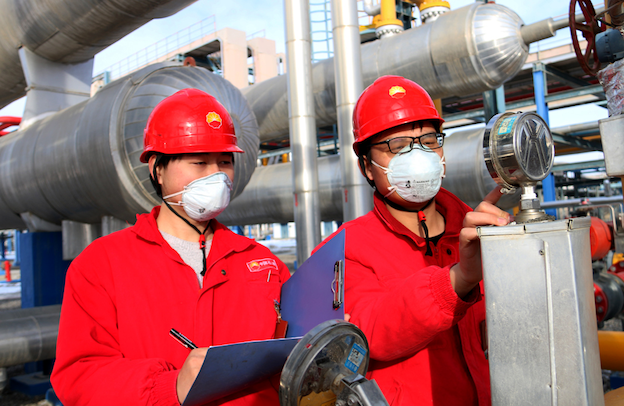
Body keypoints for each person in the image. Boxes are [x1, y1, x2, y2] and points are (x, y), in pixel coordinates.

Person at [51, 88, 291, 405]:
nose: (217, 176)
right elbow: (79, 377)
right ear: (157, 169)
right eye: (200, 162)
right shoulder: (101, 264)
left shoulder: (263, 262)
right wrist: (170, 386)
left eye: (224, 162)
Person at [314, 76, 511, 405]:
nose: (418, 154)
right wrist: (459, 279)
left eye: (429, 140)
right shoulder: (343, 250)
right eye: (398, 145)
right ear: (367, 167)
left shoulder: (478, 232)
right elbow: (370, 332)